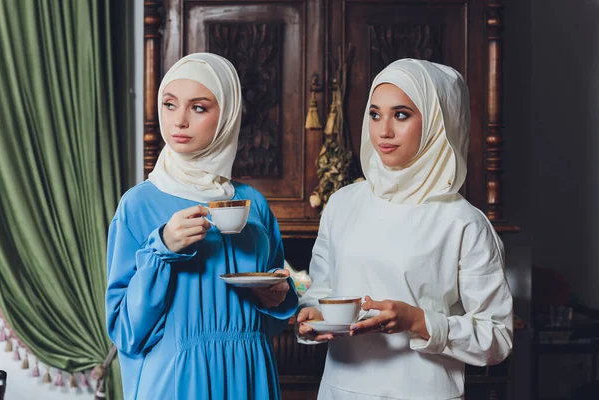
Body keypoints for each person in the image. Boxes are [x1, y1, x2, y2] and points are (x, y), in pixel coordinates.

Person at [296, 59, 513, 399]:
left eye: (401, 114)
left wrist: (419, 321)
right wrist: (310, 315)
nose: (383, 131)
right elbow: (321, 289)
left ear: (437, 123)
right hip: (342, 389)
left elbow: (497, 339)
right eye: (374, 114)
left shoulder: (463, 222)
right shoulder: (342, 204)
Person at [105, 53, 297, 400]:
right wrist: (162, 248)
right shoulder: (138, 205)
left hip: (249, 373)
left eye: (198, 107)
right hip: (176, 379)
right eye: (169, 104)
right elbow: (127, 333)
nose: (179, 121)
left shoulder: (253, 203)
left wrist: (279, 296)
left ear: (227, 115)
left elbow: (273, 319)